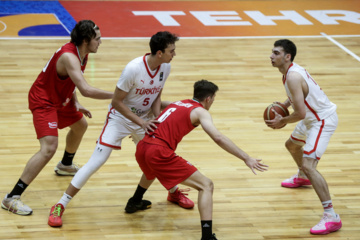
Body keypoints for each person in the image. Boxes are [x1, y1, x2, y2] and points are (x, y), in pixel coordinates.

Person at [48, 31, 194, 227]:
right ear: (159, 53)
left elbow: (156, 95)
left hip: (145, 119)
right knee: (96, 162)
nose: (174, 54)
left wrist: (157, 118)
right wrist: (141, 122)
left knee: (159, 156)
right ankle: (60, 205)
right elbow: (116, 102)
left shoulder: (165, 67)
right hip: (120, 118)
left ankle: (173, 191)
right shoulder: (133, 69)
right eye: (171, 51)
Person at [128, 80, 268, 240]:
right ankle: (207, 236)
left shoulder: (177, 103)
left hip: (143, 146)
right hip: (158, 151)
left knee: (151, 169)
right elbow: (218, 137)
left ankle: (134, 201)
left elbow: (156, 102)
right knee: (206, 185)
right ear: (208, 98)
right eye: (213, 99)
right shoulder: (200, 112)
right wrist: (246, 158)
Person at [1, 20, 114, 216]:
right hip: (43, 100)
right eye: (98, 38)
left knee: (80, 125)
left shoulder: (81, 53)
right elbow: (86, 89)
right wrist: (118, 95)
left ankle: (66, 165)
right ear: (86, 41)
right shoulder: (70, 56)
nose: (101, 42)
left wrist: (74, 100)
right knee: (48, 148)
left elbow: (72, 79)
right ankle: (12, 198)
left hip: (61, 98)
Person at [266, 39, 342, 235]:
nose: (271, 56)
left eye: (275, 53)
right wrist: (284, 106)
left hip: (321, 121)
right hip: (311, 117)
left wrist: (282, 120)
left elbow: (300, 113)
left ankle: (331, 216)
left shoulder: (292, 76)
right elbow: (296, 98)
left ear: (287, 56)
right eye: (272, 53)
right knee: (291, 146)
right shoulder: (289, 72)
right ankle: (302, 177)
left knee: (310, 165)